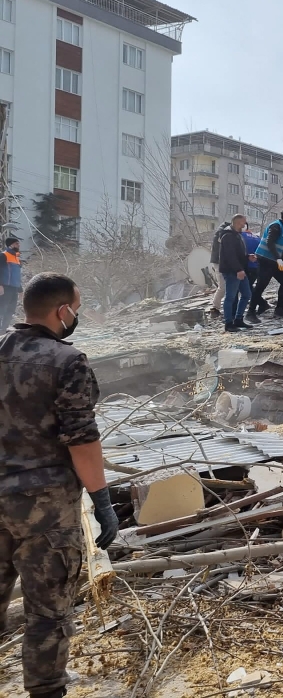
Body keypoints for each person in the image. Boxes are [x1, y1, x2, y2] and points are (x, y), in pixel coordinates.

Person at [0, 273, 118, 698]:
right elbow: (82, 438)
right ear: (62, 310)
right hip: (44, 509)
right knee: (48, 613)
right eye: (77, 308)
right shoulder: (67, 361)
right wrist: (102, 499)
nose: (77, 316)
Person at [247, 209, 283, 324]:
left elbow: (280, 248)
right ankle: (250, 313)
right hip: (266, 260)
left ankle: (279, 309)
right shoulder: (276, 226)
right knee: (261, 286)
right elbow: (270, 243)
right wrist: (279, 259)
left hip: (274, 261)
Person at [218, 215, 254, 333]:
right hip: (232, 271)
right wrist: (238, 269)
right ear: (238, 223)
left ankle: (238, 319)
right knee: (230, 297)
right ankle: (228, 323)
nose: (245, 225)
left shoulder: (237, 235)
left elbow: (238, 254)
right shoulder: (228, 236)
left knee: (246, 294)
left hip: (240, 270)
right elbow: (230, 256)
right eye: (243, 223)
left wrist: (248, 257)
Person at [208, 221, 231, 318]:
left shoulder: (222, 232)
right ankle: (215, 308)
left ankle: (222, 308)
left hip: (223, 262)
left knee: (229, 286)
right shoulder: (222, 233)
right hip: (219, 262)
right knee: (223, 287)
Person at [0, 236, 22, 331]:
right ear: (11, 245)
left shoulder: (16, 258)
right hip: (5, 287)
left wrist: (20, 290)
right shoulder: (3, 255)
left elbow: (17, 275)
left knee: (10, 310)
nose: (19, 245)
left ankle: (3, 330)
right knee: (2, 309)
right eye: (17, 243)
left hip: (14, 288)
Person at [240, 225, 262, 297]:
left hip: (245, 266)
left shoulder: (239, 236)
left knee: (245, 287)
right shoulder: (257, 237)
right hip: (256, 266)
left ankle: (261, 303)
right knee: (249, 286)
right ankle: (258, 302)